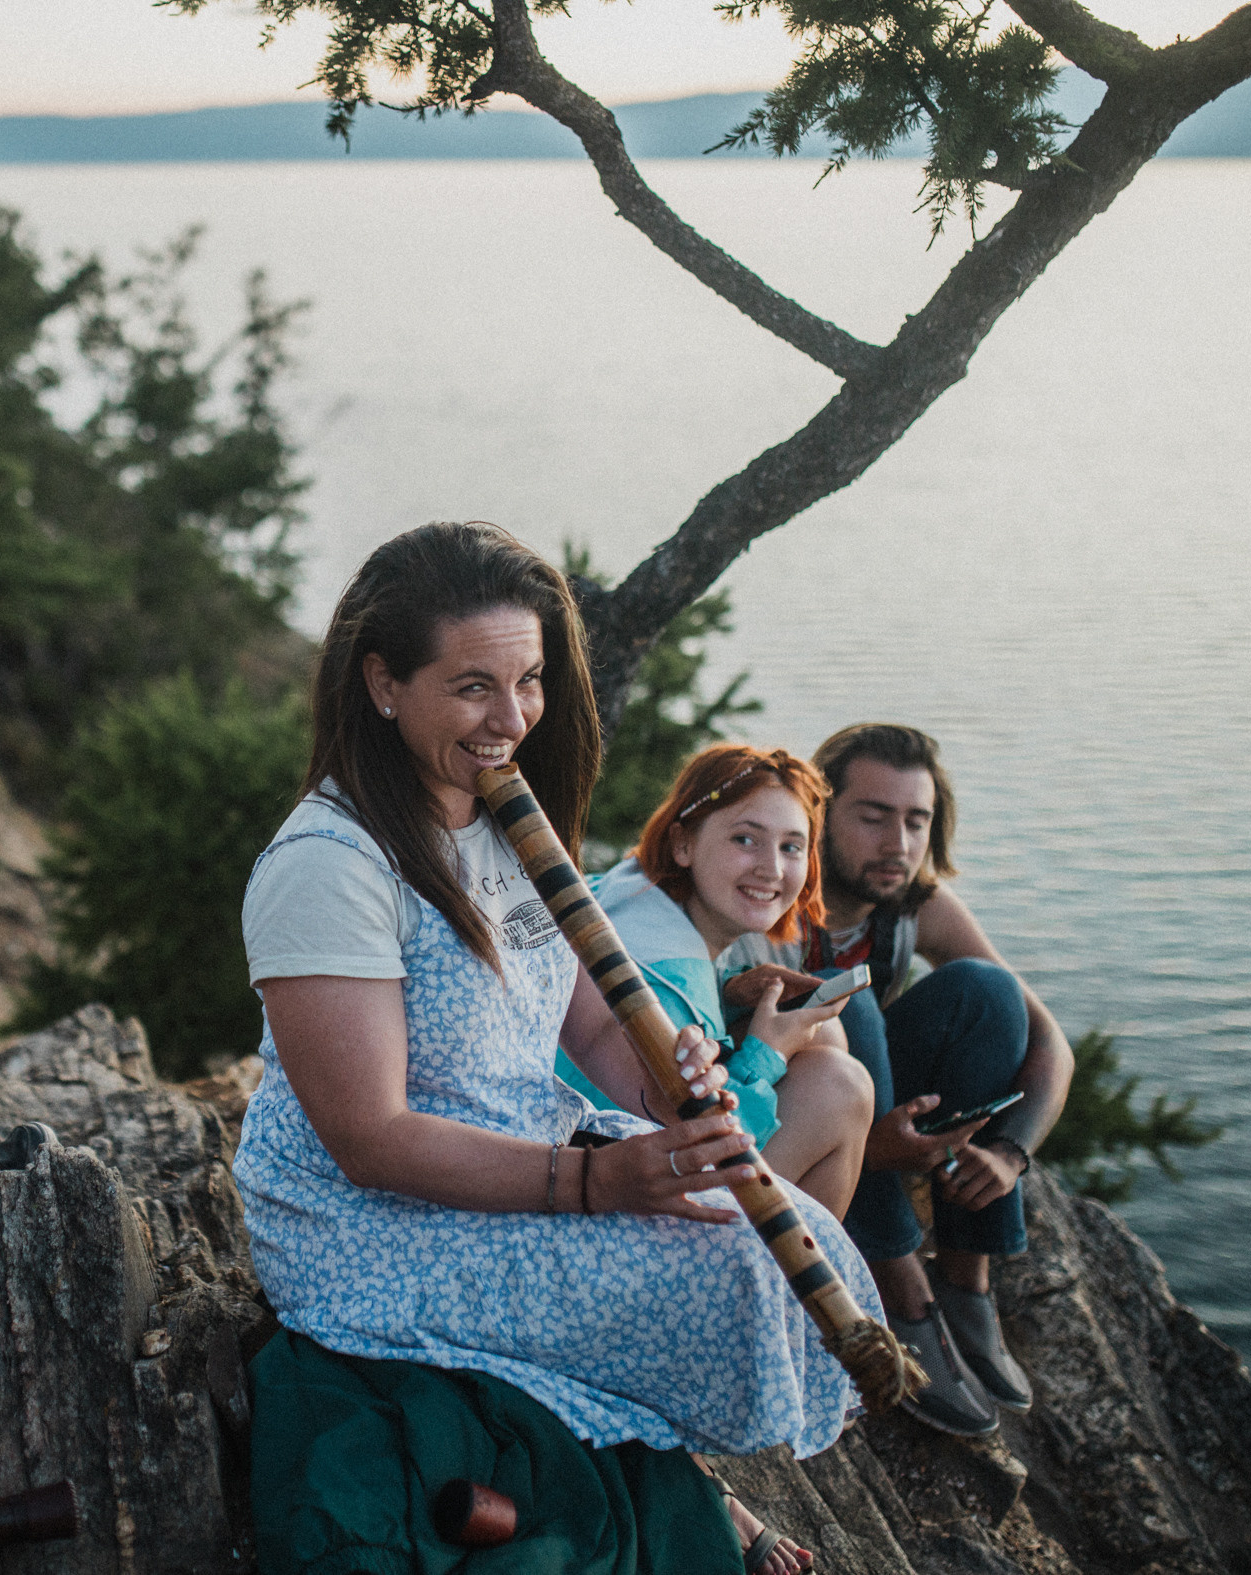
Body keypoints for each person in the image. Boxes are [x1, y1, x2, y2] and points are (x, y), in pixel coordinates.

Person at [237, 522, 879, 1575]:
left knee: (779, 1238)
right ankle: (675, 1487)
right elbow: (370, 1140)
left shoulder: (503, 815)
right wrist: (593, 1182)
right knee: (718, 1278)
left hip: (516, 1147)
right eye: (473, 687)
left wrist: (669, 1074)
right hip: (367, 1223)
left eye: (529, 682)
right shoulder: (326, 865)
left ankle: (658, 1462)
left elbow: (584, 1020)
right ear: (382, 682)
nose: (511, 719)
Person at [723, 723, 1071, 1438]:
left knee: (989, 991)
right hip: (798, 1126)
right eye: (873, 816)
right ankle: (897, 1286)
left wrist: (1008, 1153)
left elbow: (1051, 1046)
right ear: (819, 817)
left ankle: (967, 1281)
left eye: (917, 819)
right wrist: (873, 1147)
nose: (899, 843)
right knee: (854, 1013)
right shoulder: (773, 908)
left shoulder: (917, 907)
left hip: (879, 1116)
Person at [587, 745, 874, 1220]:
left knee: (823, 1032)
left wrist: (725, 995)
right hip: (623, 1213)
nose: (771, 868)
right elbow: (689, 1153)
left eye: (791, 847)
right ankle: (794, 1282)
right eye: (745, 839)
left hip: (609, 1159)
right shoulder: (664, 984)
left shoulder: (628, 894)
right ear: (683, 844)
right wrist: (767, 1053)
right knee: (841, 1087)